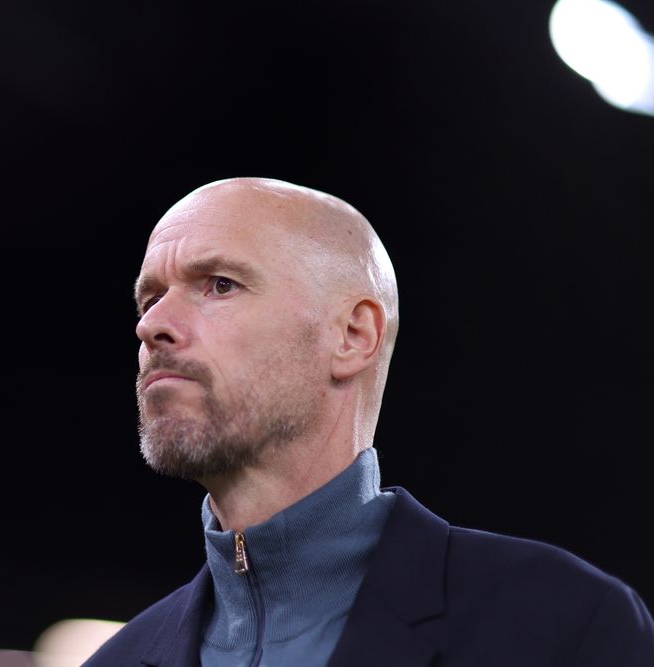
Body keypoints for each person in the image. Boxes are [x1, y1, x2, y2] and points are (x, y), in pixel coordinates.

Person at [84, 178, 654, 666]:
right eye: (149, 298)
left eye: (219, 284)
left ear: (354, 337)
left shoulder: (561, 626)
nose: (152, 325)